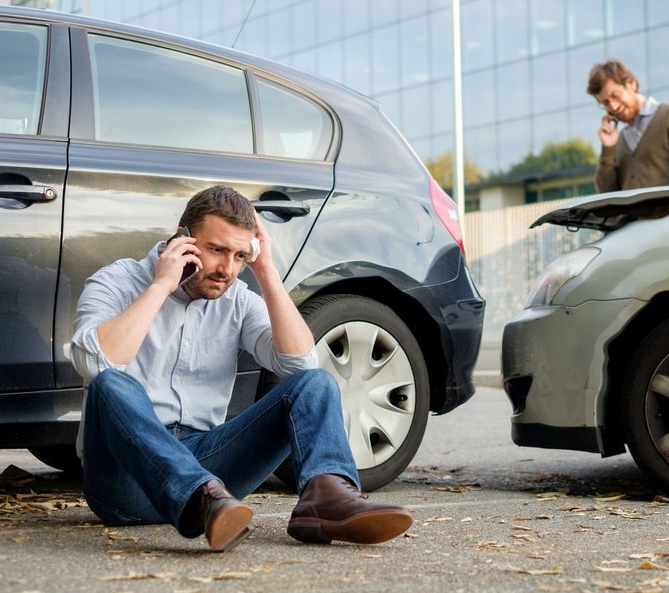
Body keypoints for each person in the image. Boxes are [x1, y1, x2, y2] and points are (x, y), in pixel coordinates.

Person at [68, 185, 412, 552]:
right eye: (217, 250)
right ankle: (198, 498)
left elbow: (299, 363)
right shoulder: (118, 281)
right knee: (111, 383)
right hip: (127, 480)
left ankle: (325, 500)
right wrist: (161, 286)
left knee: (315, 382)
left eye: (239, 255)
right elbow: (95, 362)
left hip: (212, 475)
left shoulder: (238, 301)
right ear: (182, 235)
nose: (227, 269)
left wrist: (266, 272)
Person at [587, 60, 669, 192]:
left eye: (615, 96)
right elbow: (606, 193)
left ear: (631, 84)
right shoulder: (619, 139)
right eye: (606, 103)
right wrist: (608, 148)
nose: (613, 107)